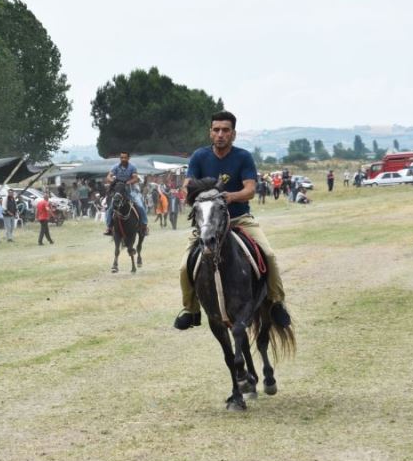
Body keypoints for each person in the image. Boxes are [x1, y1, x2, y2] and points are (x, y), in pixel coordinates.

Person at [175, 110, 291, 330]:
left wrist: (229, 197)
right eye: (216, 130)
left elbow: (250, 190)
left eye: (225, 130)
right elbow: (187, 185)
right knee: (184, 267)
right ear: (210, 133)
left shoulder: (243, 157)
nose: (220, 134)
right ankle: (191, 310)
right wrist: (194, 194)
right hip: (208, 223)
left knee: (269, 255)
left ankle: (276, 302)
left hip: (239, 219)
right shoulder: (199, 157)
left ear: (233, 134)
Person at [102, 152, 148, 236]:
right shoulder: (116, 167)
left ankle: (144, 226)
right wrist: (114, 181)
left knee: (140, 206)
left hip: (130, 190)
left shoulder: (132, 167)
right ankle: (109, 227)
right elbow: (108, 176)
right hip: (119, 191)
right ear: (120, 158)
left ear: (128, 158)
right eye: (121, 158)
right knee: (110, 208)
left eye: (125, 158)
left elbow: (135, 178)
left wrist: (127, 182)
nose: (123, 159)